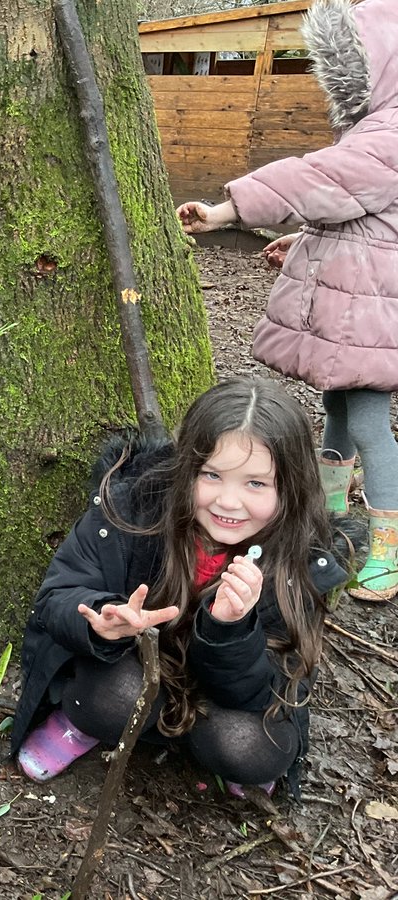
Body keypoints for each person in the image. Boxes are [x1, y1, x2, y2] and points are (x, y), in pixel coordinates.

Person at [11, 379, 361, 798]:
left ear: (290, 488)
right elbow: (57, 598)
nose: (229, 502)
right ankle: (80, 724)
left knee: (253, 749)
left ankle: (206, 750)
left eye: (256, 484)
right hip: (130, 672)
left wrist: (231, 630)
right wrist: (100, 620)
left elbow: (269, 690)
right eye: (212, 475)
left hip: (223, 700)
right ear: (186, 468)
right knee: (106, 698)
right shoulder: (132, 508)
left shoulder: (300, 561)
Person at [176, 0, 398, 602]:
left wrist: (228, 208)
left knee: (372, 425)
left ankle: (387, 546)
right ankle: (326, 515)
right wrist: (304, 239)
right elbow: (367, 212)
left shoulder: (391, 130)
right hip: (357, 304)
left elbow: (322, 180)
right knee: (338, 407)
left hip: (371, 309)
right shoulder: (379, 127)